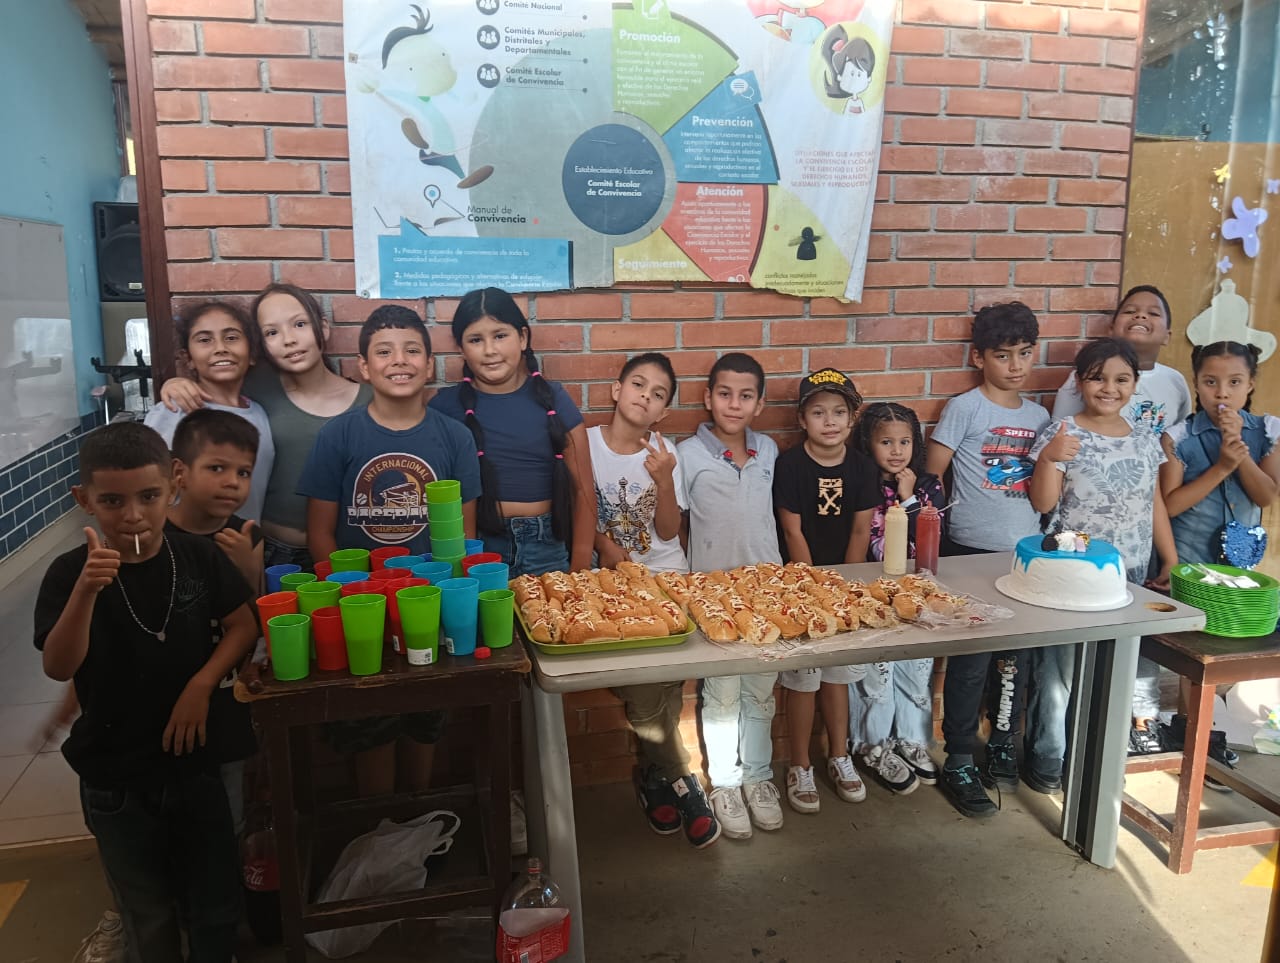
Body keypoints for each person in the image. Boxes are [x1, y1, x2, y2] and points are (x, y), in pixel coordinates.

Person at [35, 422, 257, 961]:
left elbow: (242, 625)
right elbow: (59, 666)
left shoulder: (197, 556)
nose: (133, 515)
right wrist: (86, 592)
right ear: (84, 500)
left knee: (214, 899)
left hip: (196, 764)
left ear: (173, 486)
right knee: (147, 910)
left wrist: (201, 684)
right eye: (112, 501)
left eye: (149, 497)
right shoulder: (70, 573)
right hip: (116, 774)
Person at [299, 304, 480, 797]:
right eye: (384, 351)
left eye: (412, 350)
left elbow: (462, 538)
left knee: (425, 721)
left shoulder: (455, 437)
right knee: (369, 725)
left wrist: (443, 607)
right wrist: (350, 603)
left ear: (429, 364)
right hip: (361, 609)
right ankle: (380, 825)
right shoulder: (338, 435)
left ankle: (416, 820)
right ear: (363, 366)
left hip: (429, 608)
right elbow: (320, 534)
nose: (399, 360)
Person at [1027, 339, 1176, 791]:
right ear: (1079, 381)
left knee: (1117, 668)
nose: (1109, 388)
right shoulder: (1063, 433)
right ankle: (1048, 754)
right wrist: (1050, 457)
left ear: (1135, 383)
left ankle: (1099, 754)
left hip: (1129, 576)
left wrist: (1169, 556)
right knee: (1061, 671)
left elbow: (1153, 501)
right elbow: (1043, 503)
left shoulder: (1145, 438)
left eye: (1121, 379)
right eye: (1097, 378)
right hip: (1073, 576)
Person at [587, 352, 720, 849]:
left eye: (658, 393)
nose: (645, 396)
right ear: (616, 390)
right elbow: (578, 509)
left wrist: (664, 477)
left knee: (664, 687)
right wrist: (603, 545)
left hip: (668, 581)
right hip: (615, 587)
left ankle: (654, 777)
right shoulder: (585, 444)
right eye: (638, 384)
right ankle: (683, 779)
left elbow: (667, 530)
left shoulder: (666, 453)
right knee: (643, 693)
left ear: (663, 412)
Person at [926, 301, 1049, 818]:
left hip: (1023, 555)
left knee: (1015, 659)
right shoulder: (965, 408)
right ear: (979, 357)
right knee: (971, 660)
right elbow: (933, 475)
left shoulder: (1040, 417)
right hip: (969, 551)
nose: (1015, 365)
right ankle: (958, 755)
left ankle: (1001, 740)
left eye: (1024, 353)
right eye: (1002, 355)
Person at [158, 283, 374, 570]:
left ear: (323, 328)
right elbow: (216, 382)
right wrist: (175, 383)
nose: (289, 340)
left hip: (349, 549)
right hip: (271, 550)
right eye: (272, 332)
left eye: (299, 324)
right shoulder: (256, 389)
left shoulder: (369, 400)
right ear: (260, 346)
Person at [677, 352, 785, 839]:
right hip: (715, 597)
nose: (734, 404)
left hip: (767, 594)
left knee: (760, 691)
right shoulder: (687, 454)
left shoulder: (769, 451)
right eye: (724, 394)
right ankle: (724, 782)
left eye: (745, 396)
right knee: (720, 693)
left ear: (759, 404)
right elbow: (678, 524)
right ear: (708, 398)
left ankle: (758, 778)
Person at [1157, 341, 1280, 763]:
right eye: (1210, 382)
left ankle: (1203, 726)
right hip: (1191, 559)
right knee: (1196, 649)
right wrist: (1222, 466)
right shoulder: (1179, 436)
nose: (1222, 393)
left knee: (1233, 641)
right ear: (1196, 383)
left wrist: (1240, 455)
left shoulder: (1268, 431)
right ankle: (1196, 731)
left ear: (1251, 385)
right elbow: (1170, 504)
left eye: (1234, 382)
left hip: (1241, 562)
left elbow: (1267, 495)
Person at [430, 287, 596, 576]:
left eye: (500, 336)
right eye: (475, 340)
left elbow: (583, 490)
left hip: (547, 550)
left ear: (522, 338)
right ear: (461, 349)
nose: (490, 350)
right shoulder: (445, 408)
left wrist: (580, 567)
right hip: (479, 551)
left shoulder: (554, 401)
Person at [772, 368, 878, 813]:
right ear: (802, 419)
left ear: (852, 419)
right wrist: (812, 589)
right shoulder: (790, 465)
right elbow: (792, 531)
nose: (829, 421)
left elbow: (860, 531)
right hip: (800, 587)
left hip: (845, 587)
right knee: (804, 678)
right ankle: (799, 764)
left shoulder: (863, 467)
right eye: (818, 412)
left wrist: (844, 589)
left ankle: (839, 755)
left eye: (838, 412)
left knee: (839, 675)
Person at [166, 409, 265, 835]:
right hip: (164, 693)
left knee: (227, 809)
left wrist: (248, 572)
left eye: (243, 472)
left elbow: (257, 620)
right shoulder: (153, 535)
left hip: (226, 699)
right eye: (217, 468)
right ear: (179, 473)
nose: (232, 482)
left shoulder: (246, 535)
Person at [849, 401, 945, 795]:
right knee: (877, 675)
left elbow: (930, 538)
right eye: (886, 442)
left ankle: (911, 738)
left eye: (904, 441)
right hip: (873, 597)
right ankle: (872, 744)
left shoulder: (928, 485)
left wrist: (908, 497)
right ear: (867, 444)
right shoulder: (862, 481)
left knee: (916, 670)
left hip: (916, 593)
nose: (896, 450)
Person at [145, 301, 274, 523]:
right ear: (188, 359)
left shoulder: (259, 412)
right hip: (189, 541)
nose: (220, 348)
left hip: (246, 540)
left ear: (252, 353)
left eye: (231, 337)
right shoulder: (174, 411)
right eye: (205, 340)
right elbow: (147, 491)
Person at [1052, 285, 1192, 437]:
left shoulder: (1175, 381)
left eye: (1153, 313)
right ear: (1111, 329)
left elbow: (1180, 436)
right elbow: (1060, 433)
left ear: (1166, 336)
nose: (1140, 316)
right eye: (1130, 311)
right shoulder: (1085, 377)